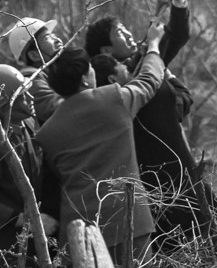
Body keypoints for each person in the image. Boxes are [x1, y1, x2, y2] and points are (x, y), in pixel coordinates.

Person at [84, 0, 216, 251]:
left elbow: (176, 34)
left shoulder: (143, 62)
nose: (129, 34)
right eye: (120, 33)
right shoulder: (111, 85)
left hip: (181, 167)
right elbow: (153, 60)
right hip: (152, 180)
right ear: (106, 51)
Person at [36, 20, 165, 267]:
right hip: (129, 221)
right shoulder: (114, 99)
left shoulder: (47, 132)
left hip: (79, 232)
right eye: (90, 70)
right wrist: (154, 45)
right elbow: (149, 79)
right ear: (85, 79)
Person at [0, 65, 58, 268]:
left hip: (27, 248)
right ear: (4, 104)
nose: (32, 100)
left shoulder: (29, 124)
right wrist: (30, 221)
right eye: (23, 96)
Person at [6, 16, 63, 125]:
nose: (57, 40)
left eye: (53, 35)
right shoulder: (31, 80)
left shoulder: (52, 72)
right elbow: (59, 109)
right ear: (34, 55)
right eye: (47, 38)